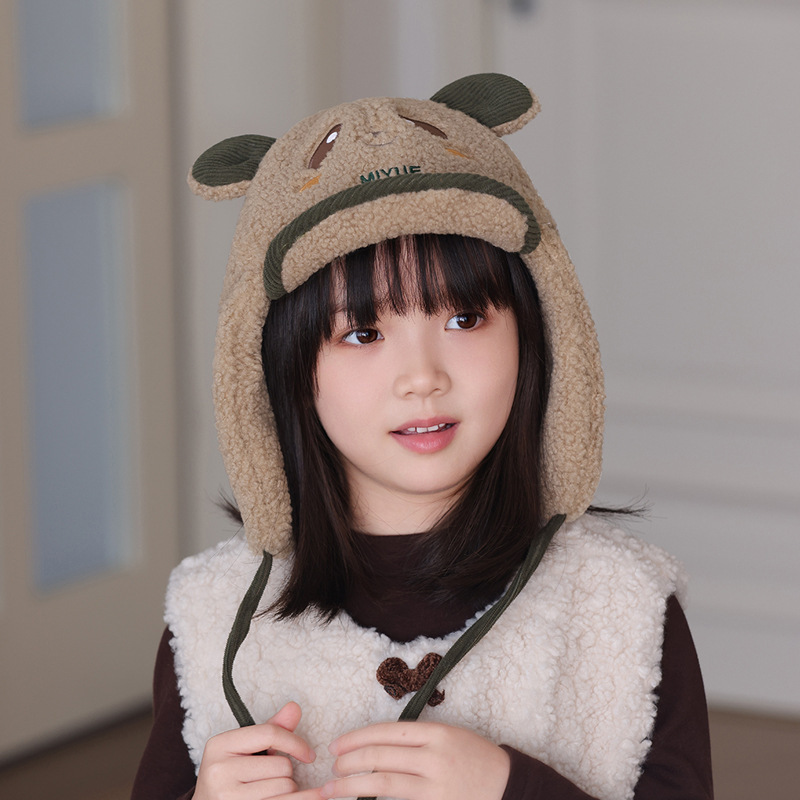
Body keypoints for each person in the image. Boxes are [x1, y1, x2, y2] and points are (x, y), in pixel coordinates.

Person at [132, 73, 713, 800]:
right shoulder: (213, 618)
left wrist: (509, 787)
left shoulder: (623, 603)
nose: (422, 378)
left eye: (464, 319)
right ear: (282, 369)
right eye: (363, 333)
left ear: (539, 333)